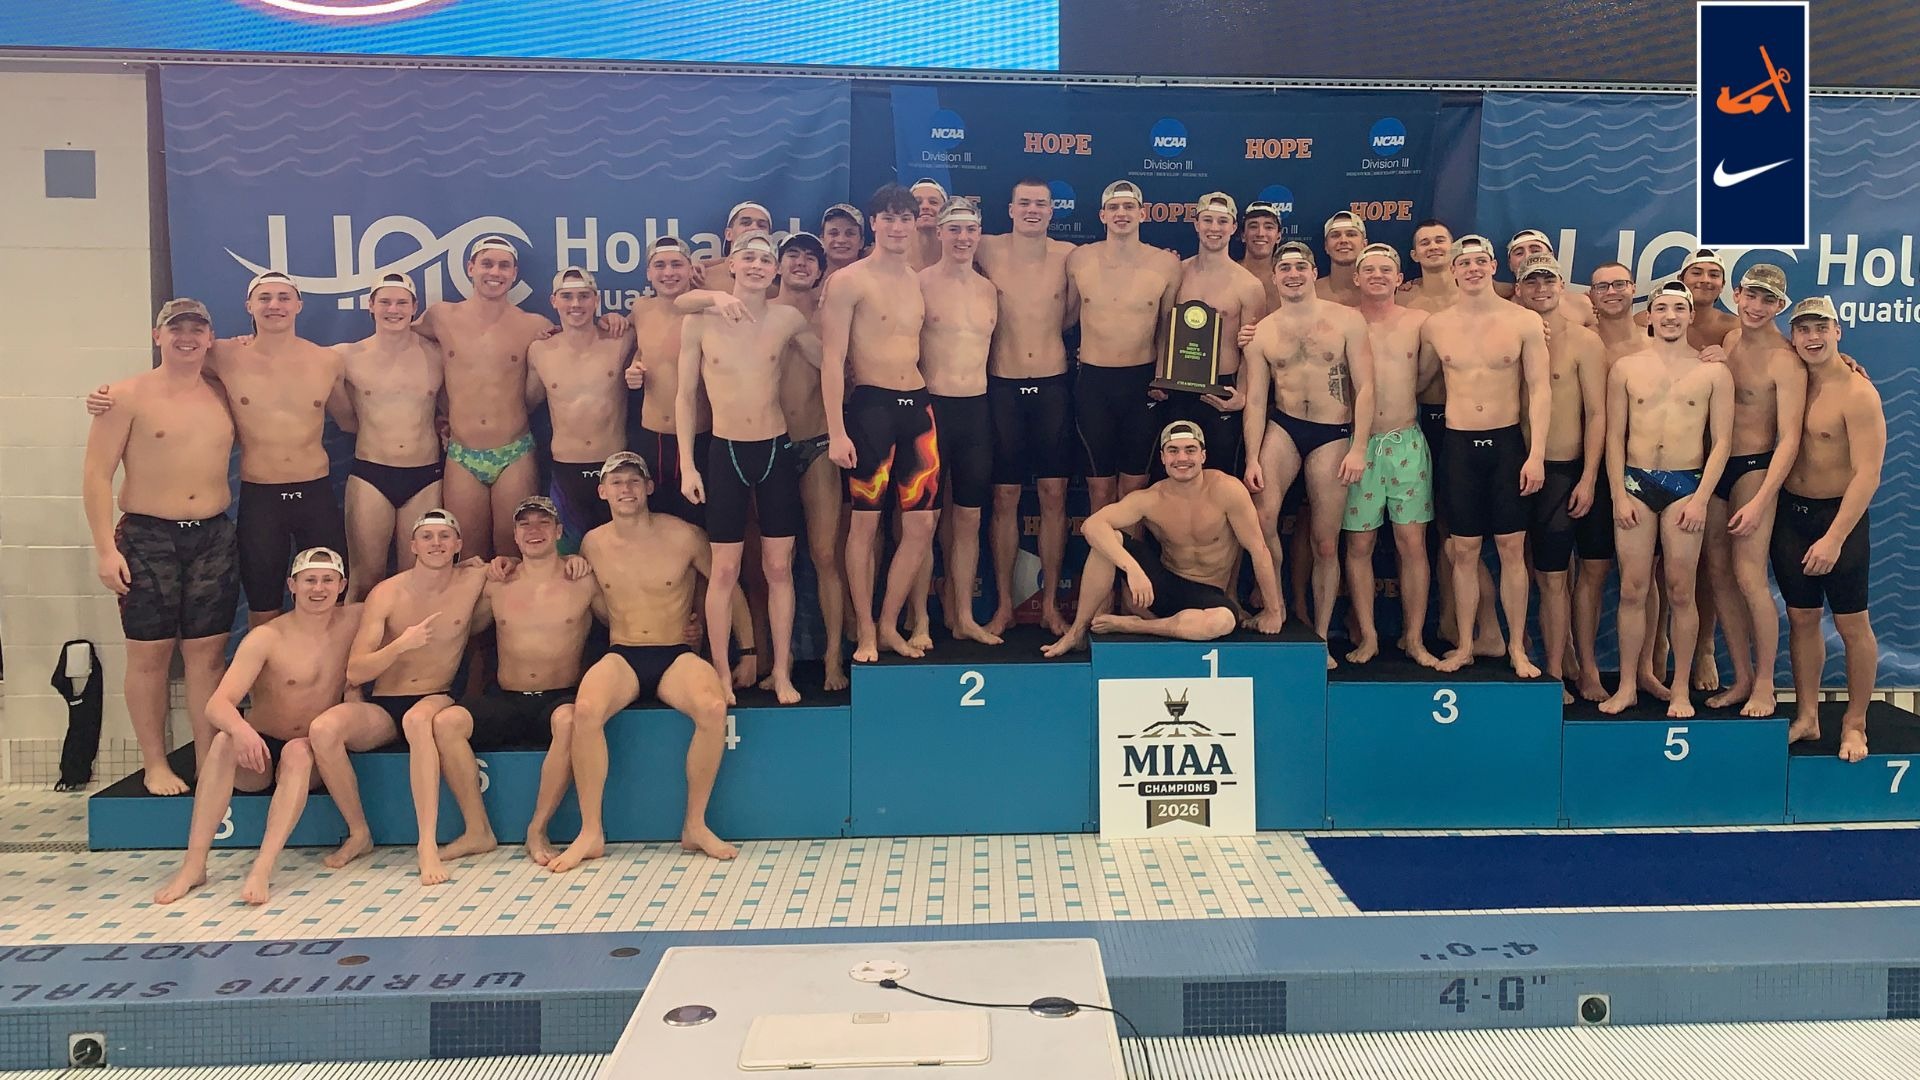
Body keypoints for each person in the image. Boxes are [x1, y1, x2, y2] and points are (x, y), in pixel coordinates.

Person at [90, 272, 352, 626]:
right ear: (249, 306)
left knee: (331, 600)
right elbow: (175, 367)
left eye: (283, 297)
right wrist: (107, 396)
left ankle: (326, 680)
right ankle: (266, 682)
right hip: (262, 498)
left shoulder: (327, 361)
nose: (274, 305)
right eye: (264, 298)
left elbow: (351, 421)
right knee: (263, 603)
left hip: (315, 492)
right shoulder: (225, 354)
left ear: (299, 305)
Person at [549, 451, 739, 872]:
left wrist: (748, 652)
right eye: (616, 483)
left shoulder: (685, 535)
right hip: (624, 651)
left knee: (712, 707)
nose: (626, 489)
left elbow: (727, 588)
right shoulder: (592, 544)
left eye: (634, 481)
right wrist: (576, 570)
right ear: (602, 492)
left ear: (650, 487)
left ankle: (695, 824)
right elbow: (601, 605)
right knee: (586, 709)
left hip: (676, 652)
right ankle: (591, 831)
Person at [83, 299, 240, 795]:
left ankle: (205, 757)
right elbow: (96, 473)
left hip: (213, 533)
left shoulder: (222, 393)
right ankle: (154, 762)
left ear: (210, 339)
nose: (187, 337)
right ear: (158, 336)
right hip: (148, 536)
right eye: (177, 329)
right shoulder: (125, 396)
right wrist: (106, 548)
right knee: (149, 655)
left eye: (197, 329)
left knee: (207, 656)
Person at [153, 548, 362, 906]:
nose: (319, 589)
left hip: (309, 750)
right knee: (221, 743)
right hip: (259, 751)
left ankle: (262, 868)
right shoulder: (267, 638)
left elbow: (410, 596)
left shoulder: (354, 621)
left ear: (342, 585)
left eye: (328, 580)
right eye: (310, 580)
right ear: (291, 586)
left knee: (298, 751)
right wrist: (242, 731)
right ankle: (194, 864)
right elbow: (217, 704)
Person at [676, 231, 819, 704]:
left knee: (780, 567)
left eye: (765, 259)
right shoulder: (700, 319)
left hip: (775, 450)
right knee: (724, 570)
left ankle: (781, 671)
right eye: (748, 258)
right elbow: (685, 396)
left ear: (775, 270)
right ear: (732, 266)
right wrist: (686, 466)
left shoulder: (787, 318)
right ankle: (720, 673)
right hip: (725, 453)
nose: (757, 266)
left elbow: (830, 359)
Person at [434, 497, 605, 865]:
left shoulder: (583, 580)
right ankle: (477, 830)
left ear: (559, 532)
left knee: (571, 720)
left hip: (558, 698)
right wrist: (476, 572)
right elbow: (460, 627)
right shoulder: (499, 583)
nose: (534, 531)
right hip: (507, 699)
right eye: (525, 524)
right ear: (514, 535)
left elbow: (622, 625)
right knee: (447, 723)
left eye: (543, 523)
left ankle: (537, 829)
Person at [331, 509, 489, 883]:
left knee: (418, 720)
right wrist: (400, 646)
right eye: (428, 537)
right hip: (385, 704)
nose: (437, 544)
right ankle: (359, 833)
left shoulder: (474, 579)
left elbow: (514, 567)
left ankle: (427, 846)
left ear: (459, 545)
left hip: (436, 696)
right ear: (413, 545)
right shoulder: (387, 593)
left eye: (445, 537)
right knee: (324, 730)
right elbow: (356, 671)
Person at [1599, 282, 1735, 718]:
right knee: (1632, 589)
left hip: (1686, 487)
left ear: (1691, 315)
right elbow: (1613, 438)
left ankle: (1679, 689)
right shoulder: (1624, 368)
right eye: (1663, 308)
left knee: (1680, 591)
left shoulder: (1713, 371)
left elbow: (1723, 442)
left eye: (1680, 308)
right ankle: (1626, 686)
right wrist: (1619, 493)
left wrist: (1700, 499)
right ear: (1650, 316)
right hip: (1636, 483)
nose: (1672, 315)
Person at [1418, 235, 1551, 676]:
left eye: (1480, 261)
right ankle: (1466, 644)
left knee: (1513, 549)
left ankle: (1516, 647)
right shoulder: (1436, 326)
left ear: (1493, 266)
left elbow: (1540, 389)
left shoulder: (1524, 321)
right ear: (1452, 271)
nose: (1472, 268)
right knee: (1463, 550)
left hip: (1508, 444)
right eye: (1464, 262)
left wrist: (1536, 455)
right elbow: (1413, 380)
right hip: (1458, 446)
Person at [821, 184, 943, 662]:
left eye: (905, 218)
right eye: (888, 218)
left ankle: (890, 622)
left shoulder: (917, 280)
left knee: (921, 526)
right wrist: (836, 430)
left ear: (915, 224)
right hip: (870, 409)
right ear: (874, 224)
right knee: (865, 528)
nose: (897, 227)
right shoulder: (849, 281)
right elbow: (832, 361)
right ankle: (866, 630)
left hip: (918, 408)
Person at [1043, 421, 1284, 655]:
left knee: (1220, 622)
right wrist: (1133, 569)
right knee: (1106, 541)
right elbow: (1091, 526)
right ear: (1163, 458)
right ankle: (1077, 632)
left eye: (1190, 450)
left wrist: (1273, 611)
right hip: (1161, 587)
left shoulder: (1227, 490)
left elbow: (1258, 550)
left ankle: (1135, 626)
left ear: (1203, 455)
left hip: (1207, 594)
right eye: (1173, 451)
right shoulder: (1151, 498)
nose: (1181, 459)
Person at [1241, 240, 1374, 663]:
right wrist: (1251, 458)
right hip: (1284, 426)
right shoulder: (1263, 330)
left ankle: (1320, 637)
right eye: (1285, 268)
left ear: (1313, 272)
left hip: (1333, 432)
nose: (1293, 274)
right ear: (1275, 276)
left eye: (1301, 266)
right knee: (1261, 518)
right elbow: (1257, 401)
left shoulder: (1347, 320)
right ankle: (1275, 606)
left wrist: (1359, 446)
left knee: (1324, 543)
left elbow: (1366, 387)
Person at [1776, 297, 1885, 761]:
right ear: (1794, 336)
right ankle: (1807, 716)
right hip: (1791, 515)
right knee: (1801, 619)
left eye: (1821, 327)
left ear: (1838, 331)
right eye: (1802, 329)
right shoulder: (1791, 376)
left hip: (1839, 518)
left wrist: (1835, 537)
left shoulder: (1859, 393)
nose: (1812, 337)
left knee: (1851, 623)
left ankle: (1855, 724)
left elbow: (1868, 474)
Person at [976, 177, 1078, 637]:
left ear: (1052, 211)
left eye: (1041, 203)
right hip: (1002, 385)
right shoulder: (986, 248)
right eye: (1025, 203)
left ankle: (1052, 603)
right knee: (1004, 498)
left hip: (1054, 384)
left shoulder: (1068, 256)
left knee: (1055, 496)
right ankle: (1004, 605)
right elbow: (929, 247)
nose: (1033, 210)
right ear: (1010, 209)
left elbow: (1078, 308)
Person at [1701, 264, 1804, 717]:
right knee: (1719, 574)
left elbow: (1790, 439)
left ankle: (1766, 684)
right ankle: (1742, 676)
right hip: (1717, 466)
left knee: (1749, 578)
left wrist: (1763, 500)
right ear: (1737, 294)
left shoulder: (1786, 358)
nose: (1757, 307)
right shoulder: (1729, 340)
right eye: (1751, 296)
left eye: (1768, 300)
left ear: (1780, 305)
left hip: (1756, 470)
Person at [412, 236, 555, 558]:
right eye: (487, 263)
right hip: (463, 454)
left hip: (514, 451)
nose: (495, 272)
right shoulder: (441, 317)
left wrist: (609, 321)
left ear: (515, 273)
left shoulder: (534, 325)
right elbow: (398, 337)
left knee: (513, 555)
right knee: (469, 557)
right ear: (470, 268)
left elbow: (575, 341)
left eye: (504, 265)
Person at [1511, 254, 1608, 702]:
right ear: (1518, 288)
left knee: (1554, 577)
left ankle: (1566, 669)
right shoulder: (1507, 335)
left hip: (1565, 471)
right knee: (1498, 559)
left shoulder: (1586, 343)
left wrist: (1589, 477)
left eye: (1548, 280)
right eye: (1531, 282)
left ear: (1563, 285)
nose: (1541, 289)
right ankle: (1536, 660)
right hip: (1514, 469)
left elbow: (1596, 414)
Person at [1342, 243, 1438, 666]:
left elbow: (1432, 369)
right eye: (1370, 270)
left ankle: (1414, 638)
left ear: (1400, 278)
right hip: (1356, 446)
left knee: (1412, 543)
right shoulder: (1341, 321)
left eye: (1387, 269)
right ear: (1357, 278)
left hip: (1406, 444)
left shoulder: (1420, 322)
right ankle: (1368, 636)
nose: (1378, 275)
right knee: (1359, 544)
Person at [1067, 180, 1182, 512]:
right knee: (1099, 489)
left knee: (1135, 491)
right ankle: (1103, 563)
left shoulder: (1165, 264)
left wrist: (1163, 375)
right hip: (1093, 385)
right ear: (1102, 215)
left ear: (1142, 214)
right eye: (1114, 207)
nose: (1121, 213)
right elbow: (1066, 318)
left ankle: (1130, 565)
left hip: (1143, 385)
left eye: (1129, 207)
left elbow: (1168, 327)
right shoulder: (1079, 259)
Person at [768, 231, 851, 690]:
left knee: (825, 555)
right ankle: (764, 659)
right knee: (770, 563)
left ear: (822, 270)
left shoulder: (830, 317)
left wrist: (798, 330)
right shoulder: (754, 310)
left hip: (818, 443)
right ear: (778, 265)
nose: (801, 264)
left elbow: (841, 371)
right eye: (792, 256)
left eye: (810, 258)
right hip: (768, 445)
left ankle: (832, 658)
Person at [917, 199, 1002, 644]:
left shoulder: (989, 290)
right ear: (939, 233)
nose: (963, 238)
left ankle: (964, 616)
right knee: (923, 523)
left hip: (976, 410)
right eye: (955, 230)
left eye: (971, 229)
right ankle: (921, 619)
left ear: (979, 233)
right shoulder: (919, 285)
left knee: (968, 519)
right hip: (931, 411)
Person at [334, 272, 445, 601]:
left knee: (417, 580)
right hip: (371, 474)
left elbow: (453, 409)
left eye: (401, 302)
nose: (393, 309)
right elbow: (344, 420)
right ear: (370, 306)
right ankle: (357, 654)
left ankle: (409, 653)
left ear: (414, 308)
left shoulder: (437, 355)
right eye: (384, 302)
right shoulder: (346, 357)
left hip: (425, 476)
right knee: (366, 579)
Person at [531, 267, 633, 554]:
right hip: (566, 473)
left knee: (619, 559)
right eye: (567, 297)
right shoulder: (540, 350)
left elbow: (653, 323)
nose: (575, 304)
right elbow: (525, 403)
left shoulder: (621, 339)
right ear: (554, 301)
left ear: (596, 300)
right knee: (567, 563)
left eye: (583, 296)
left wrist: (617, 320)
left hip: (614, 468)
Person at [1171, 191, 1267, 476]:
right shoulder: (1176, 272)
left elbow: (1252, 349)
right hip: (1177, 387)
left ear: (1234, 227)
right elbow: (1160, 328)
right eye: (1208, 220)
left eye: (1222, 221)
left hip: (1222, 389)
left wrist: (1243, 394)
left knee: (1220, 479)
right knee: (1176, 476)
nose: (1215, 228)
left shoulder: (1248, 286)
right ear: (1196, 224)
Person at [625, 235, 712, 529]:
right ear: (648, 273)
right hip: (651, 437)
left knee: (700, 529)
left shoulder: (708, 310)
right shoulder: (641, 309)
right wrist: (634, 366)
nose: (668, 272)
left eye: (677, 264)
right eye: (659, 265)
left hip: (700, 437)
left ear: (691, 269)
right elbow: (642, 349)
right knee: (654, 529)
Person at [1502, 230, 1596, 326]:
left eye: (1535, 251)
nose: (1528, 256)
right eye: (1519, 253)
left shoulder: (1580, 305)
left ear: (1551, 256)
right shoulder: (1501, 311)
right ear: (1510, 264)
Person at [695, 200, 774, 294]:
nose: (754, 228)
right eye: (745, 223)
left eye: (761, 225)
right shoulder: (700, 278)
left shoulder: (777, 282)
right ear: (729, 234)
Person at [1402, 220, 1458, 313]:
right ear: (1414, 255)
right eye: (1425, 243)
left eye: (1439, 241)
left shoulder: (1475, 295)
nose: (1433, 247)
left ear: (1454, 249)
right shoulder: (1401, 300)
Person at [1314, 210, 1368, 307]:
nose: (1343, 240)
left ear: (1364, 244)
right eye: (1335, 235)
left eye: (1351, 234)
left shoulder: (1379, 291)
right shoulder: (1311, 292)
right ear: (1326, 246)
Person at [1237, 200, 1283, 311]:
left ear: (1278, 236)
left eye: (1268, 227)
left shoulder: (1288, 280)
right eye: (1253, 226)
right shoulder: (1228, 276)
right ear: (1243, 235)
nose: (1260, 233)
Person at [909, 178, 948, 271]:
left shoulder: (959, 249)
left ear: (946, 211)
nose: (925, 206)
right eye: (917, 203)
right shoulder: (893, 251)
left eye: (933, 202)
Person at [821, 202, 867, 279]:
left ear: (861, 242)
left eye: (850, 233)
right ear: (822, 240)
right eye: (834, 233)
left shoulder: (874, 281)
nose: (841, 240)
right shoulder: (808, 279)